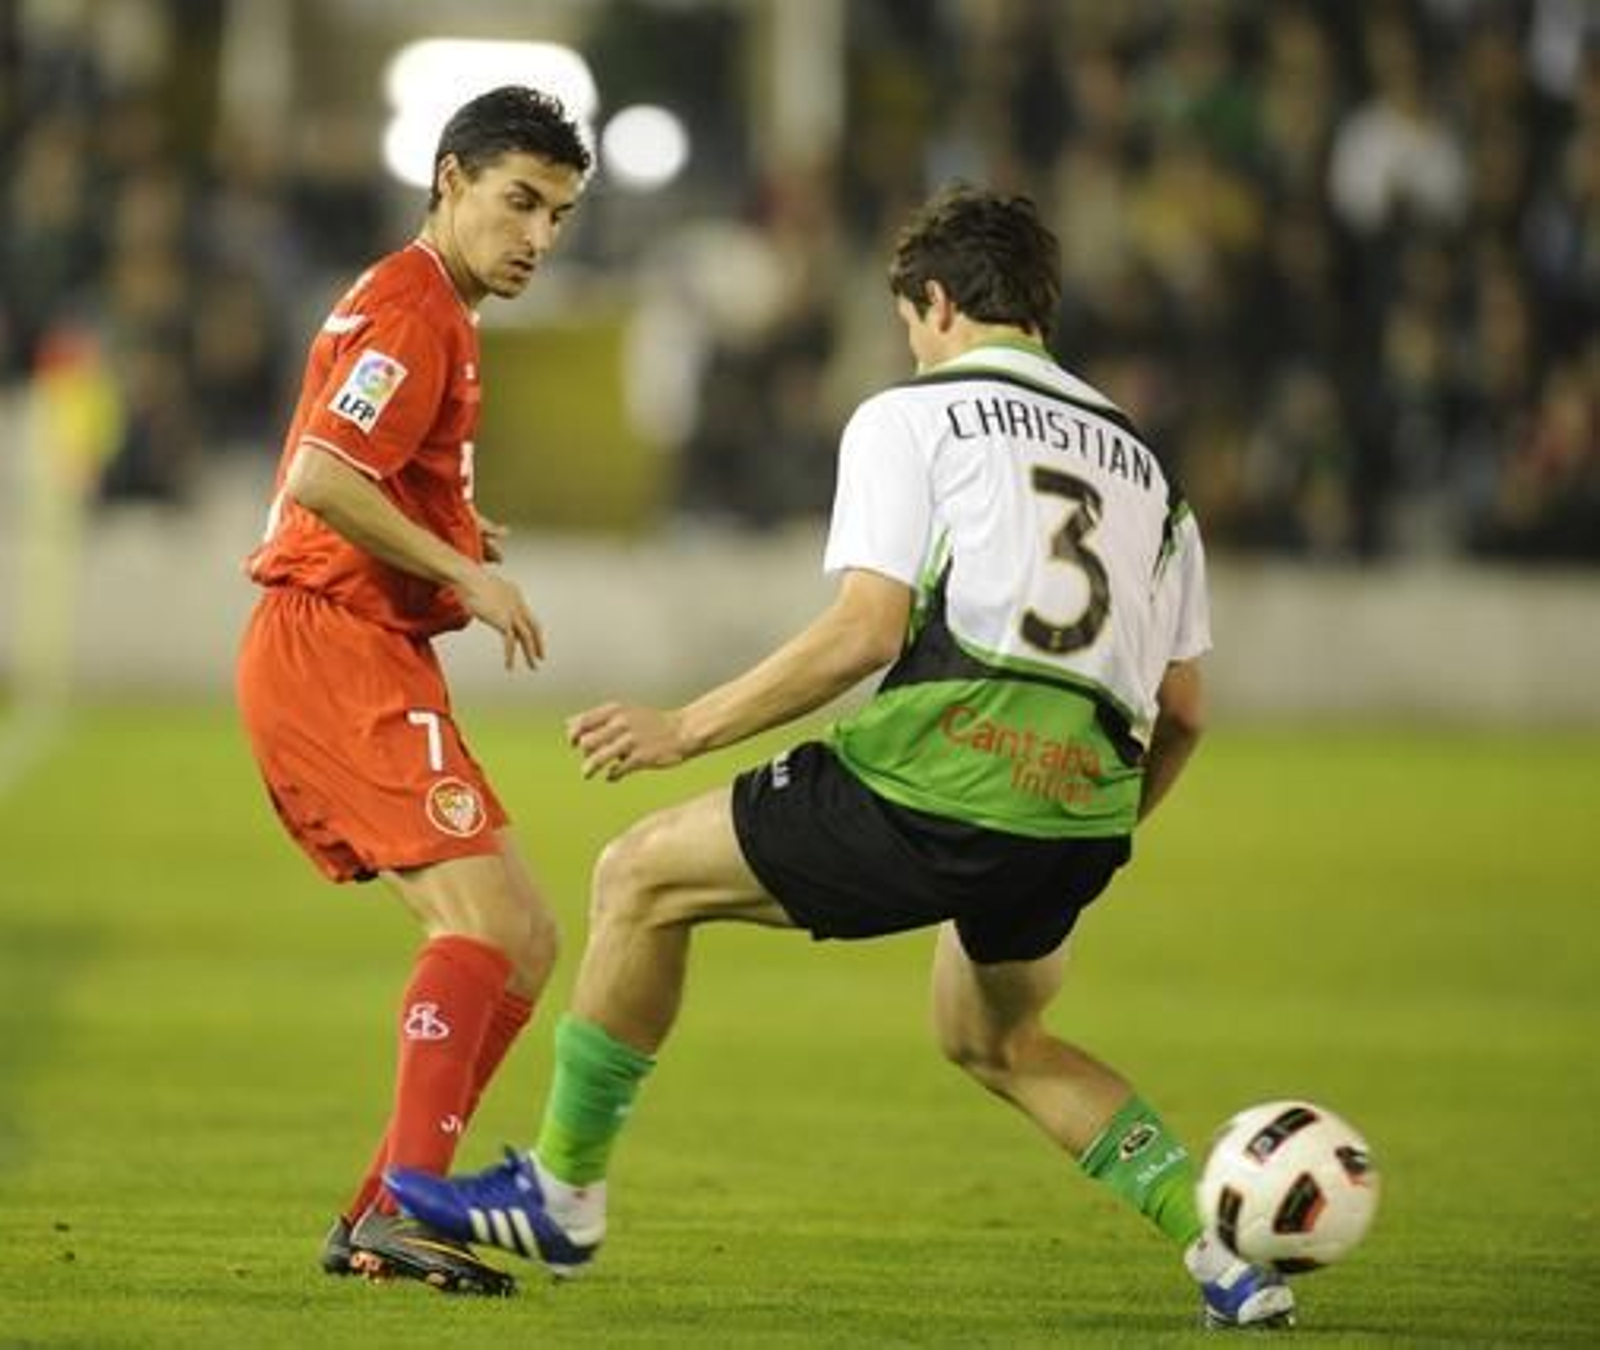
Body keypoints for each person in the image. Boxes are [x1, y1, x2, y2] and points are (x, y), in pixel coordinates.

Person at [389, 184, 1296, 1328]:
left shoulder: (913, 418)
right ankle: (1226, 1255)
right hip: (1078, 818)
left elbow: (864, 633)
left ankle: (561, 1195)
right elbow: (1188, 708)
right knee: (997, 1037)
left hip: (934, 781)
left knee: (637, 877)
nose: (913, 343)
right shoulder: (1149, 475)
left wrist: (685, 729)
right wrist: (1093, 823)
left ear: (936, 303)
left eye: (912, 321)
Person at [234, 86, 589, 1296]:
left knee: (528, 940)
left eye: (559, 213)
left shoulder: (435, 308)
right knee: (483, 927)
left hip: (365, 644)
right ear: (449, 180)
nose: (538, 236)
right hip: (332, 643)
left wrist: (446, 521)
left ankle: (381, 1211)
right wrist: (461, 573)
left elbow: (344, 470)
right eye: (519, 201)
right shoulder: (412, 307)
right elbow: (327, 479)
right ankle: (413, 1215)